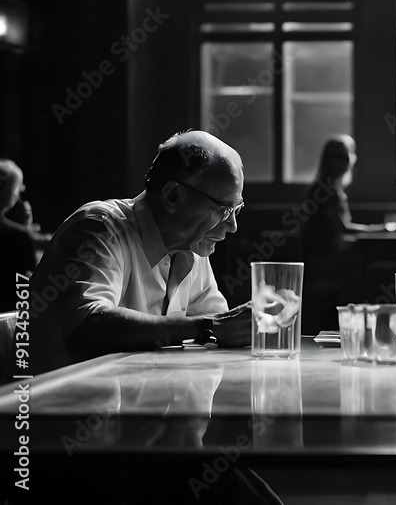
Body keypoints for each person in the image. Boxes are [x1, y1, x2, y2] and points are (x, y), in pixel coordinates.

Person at [30, 130, 252, 374]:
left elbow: (218, 330)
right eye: (223, 208)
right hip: (55, 406)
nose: (232, 226)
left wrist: (245, 327)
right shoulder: (98, 228)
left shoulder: (192, 249)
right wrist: (206, 328)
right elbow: (86, 326)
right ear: (173, 195)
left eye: (236, 209)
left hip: (135, 406)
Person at [300, 135, 381, 333]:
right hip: (323, 262)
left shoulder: (330, 188)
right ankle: (356, 326)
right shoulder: (325, 190)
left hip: (327, 258)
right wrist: (377, 229)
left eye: (346, 157)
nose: (342, 163)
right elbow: (343, 227)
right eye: (337, 157)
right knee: (371, 270)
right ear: (328, 160)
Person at [0, 159, 38, 310]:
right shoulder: (18, 236)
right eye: (16, 190)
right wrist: (25, 230)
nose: (18, 197)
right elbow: (28, 285)